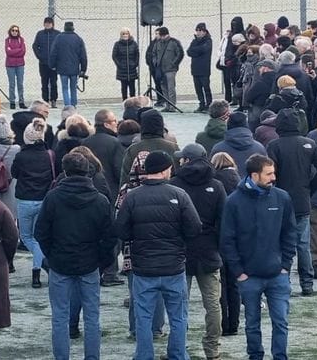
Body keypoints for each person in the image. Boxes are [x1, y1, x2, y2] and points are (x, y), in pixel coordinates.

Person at [114, 150, 202, 360]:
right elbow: (195, 228)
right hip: (174, 267)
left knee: (143, 318)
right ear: (165, 170)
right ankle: (178, 355)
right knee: (178, 317)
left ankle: (144, 355)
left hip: (144, 268)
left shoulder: (132, 196)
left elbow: (121, 230)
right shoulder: (179, 195)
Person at [35, 153, 116, 360]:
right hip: (88, 262)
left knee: (60, 317)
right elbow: (110, 237)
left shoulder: (53, 198)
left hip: (61, 262)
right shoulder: (100, 200)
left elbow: (41, 232)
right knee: (92, 317)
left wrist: (52, 255)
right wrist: (101, 261)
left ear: (65, 171)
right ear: (88, 171)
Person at [220, 154, 297, 360]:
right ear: (254, 175)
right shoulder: (233, 202)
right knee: (252, 323)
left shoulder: (282, 198)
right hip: (249, 277)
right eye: (269, 174)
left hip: (277, 275)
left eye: (274, 173)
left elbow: (290, 233)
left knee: (281, 322)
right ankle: (255, 356)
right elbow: (227, 239)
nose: (274, 177)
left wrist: (285, 265)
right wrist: (239, 272)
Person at [266, 108, 317, 296]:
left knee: (280, 244)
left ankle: (283, 282)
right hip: (303, 200)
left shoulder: (274, 146)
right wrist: (309, 187)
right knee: (303, 245)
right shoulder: (309, 143)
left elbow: (270, 174)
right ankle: (307, 284)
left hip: (280, 202)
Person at [170, 143, 226, 360]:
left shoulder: (174, 185)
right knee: (212, 304)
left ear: (186, 160)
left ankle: (178, 348)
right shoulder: (216, 185)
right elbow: (223, 221)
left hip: (181, 251)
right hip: (209, 250)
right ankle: (212, 349)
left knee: (179, 304)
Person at [12, 118, 56, 288]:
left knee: (26, 237)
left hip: (25, 199)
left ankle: (42, 265)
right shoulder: (49, 155)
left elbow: (14, 173)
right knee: (38, 238)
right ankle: (38, 270)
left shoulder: (21, 156)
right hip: (43, 199)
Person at [209, 111, 266, 178]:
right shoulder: (259, 148)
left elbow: (211, 173)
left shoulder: (218, 149)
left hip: (226, 184)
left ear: (228, 125)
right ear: (246, 125)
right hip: (253, 183)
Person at [48, 21, 87, 108]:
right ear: (73, 28)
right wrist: (83, 69)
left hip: (62, 68)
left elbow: (53, 53)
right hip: (74, 68)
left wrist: (52, 65)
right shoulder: (78, 39)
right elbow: (83, 56)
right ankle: (73, 105)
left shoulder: (59, 38)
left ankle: (67, 105)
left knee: (65, 88)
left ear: (64, 28)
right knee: (73, 88)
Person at [149, 27, 184, 113]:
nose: (161, 37)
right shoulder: (157, 43)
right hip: (160, 69)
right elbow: (153, 53)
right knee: (163, 87)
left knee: (171, 87)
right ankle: (167, 106)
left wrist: (174, 63)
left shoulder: (174, 42)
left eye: (161, 35)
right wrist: (156, 63)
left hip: (171, 69)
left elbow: (180, 53)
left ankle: (172, 106)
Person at [33, 17, 60, 107]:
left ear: (52, 24)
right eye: (46, 23)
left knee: (53, 82)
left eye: (49, 23)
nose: (47, 24)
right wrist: (40, 56)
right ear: (44, 24)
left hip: (54, 64)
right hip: (43, 63)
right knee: (44, 82)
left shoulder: (57, 34)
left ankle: (53, 100)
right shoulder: (40, 34)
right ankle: (45, 100)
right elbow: (35, 46)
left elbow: (60, 47)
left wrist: (57, 58)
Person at [187, 23, 213, 113]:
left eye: (200, 31)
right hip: (195, 69)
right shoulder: (194, 41)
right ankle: (201, 104)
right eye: (197, 31)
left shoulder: (208, 41)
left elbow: (204, 49)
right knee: (198, 89)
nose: (198, 32)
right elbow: (189, 51)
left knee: (206, 88)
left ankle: (209, 105)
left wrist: (195, 50)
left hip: (204, 69)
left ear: (204, 31)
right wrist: (197, 51)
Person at [113, 27, 140, 101]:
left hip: (132, 69)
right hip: (122, 69)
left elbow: (137, 55)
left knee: (132, 87)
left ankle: (133, 101)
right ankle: (124, 101)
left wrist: (135, 64)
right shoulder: (117, 44)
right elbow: (114, 56)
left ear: (129, 34)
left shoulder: (134, 44)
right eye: (123, 34)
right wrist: (119, 65)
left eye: (126, 34)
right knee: (124, 87)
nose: (125, 35)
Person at [4, 25, 26, 109]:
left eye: (16, 30)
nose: (14, 32)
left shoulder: (21, 40)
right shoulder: (7, 40)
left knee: (20, 84)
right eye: (13, 30)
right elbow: (8, 52)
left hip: (20, 64)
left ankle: (21, 102)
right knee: (12, 84)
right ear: (10, 31)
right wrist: (18, 50)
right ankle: (12, 102)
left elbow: (23, 51)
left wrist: (13, 51)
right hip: (10, 65)